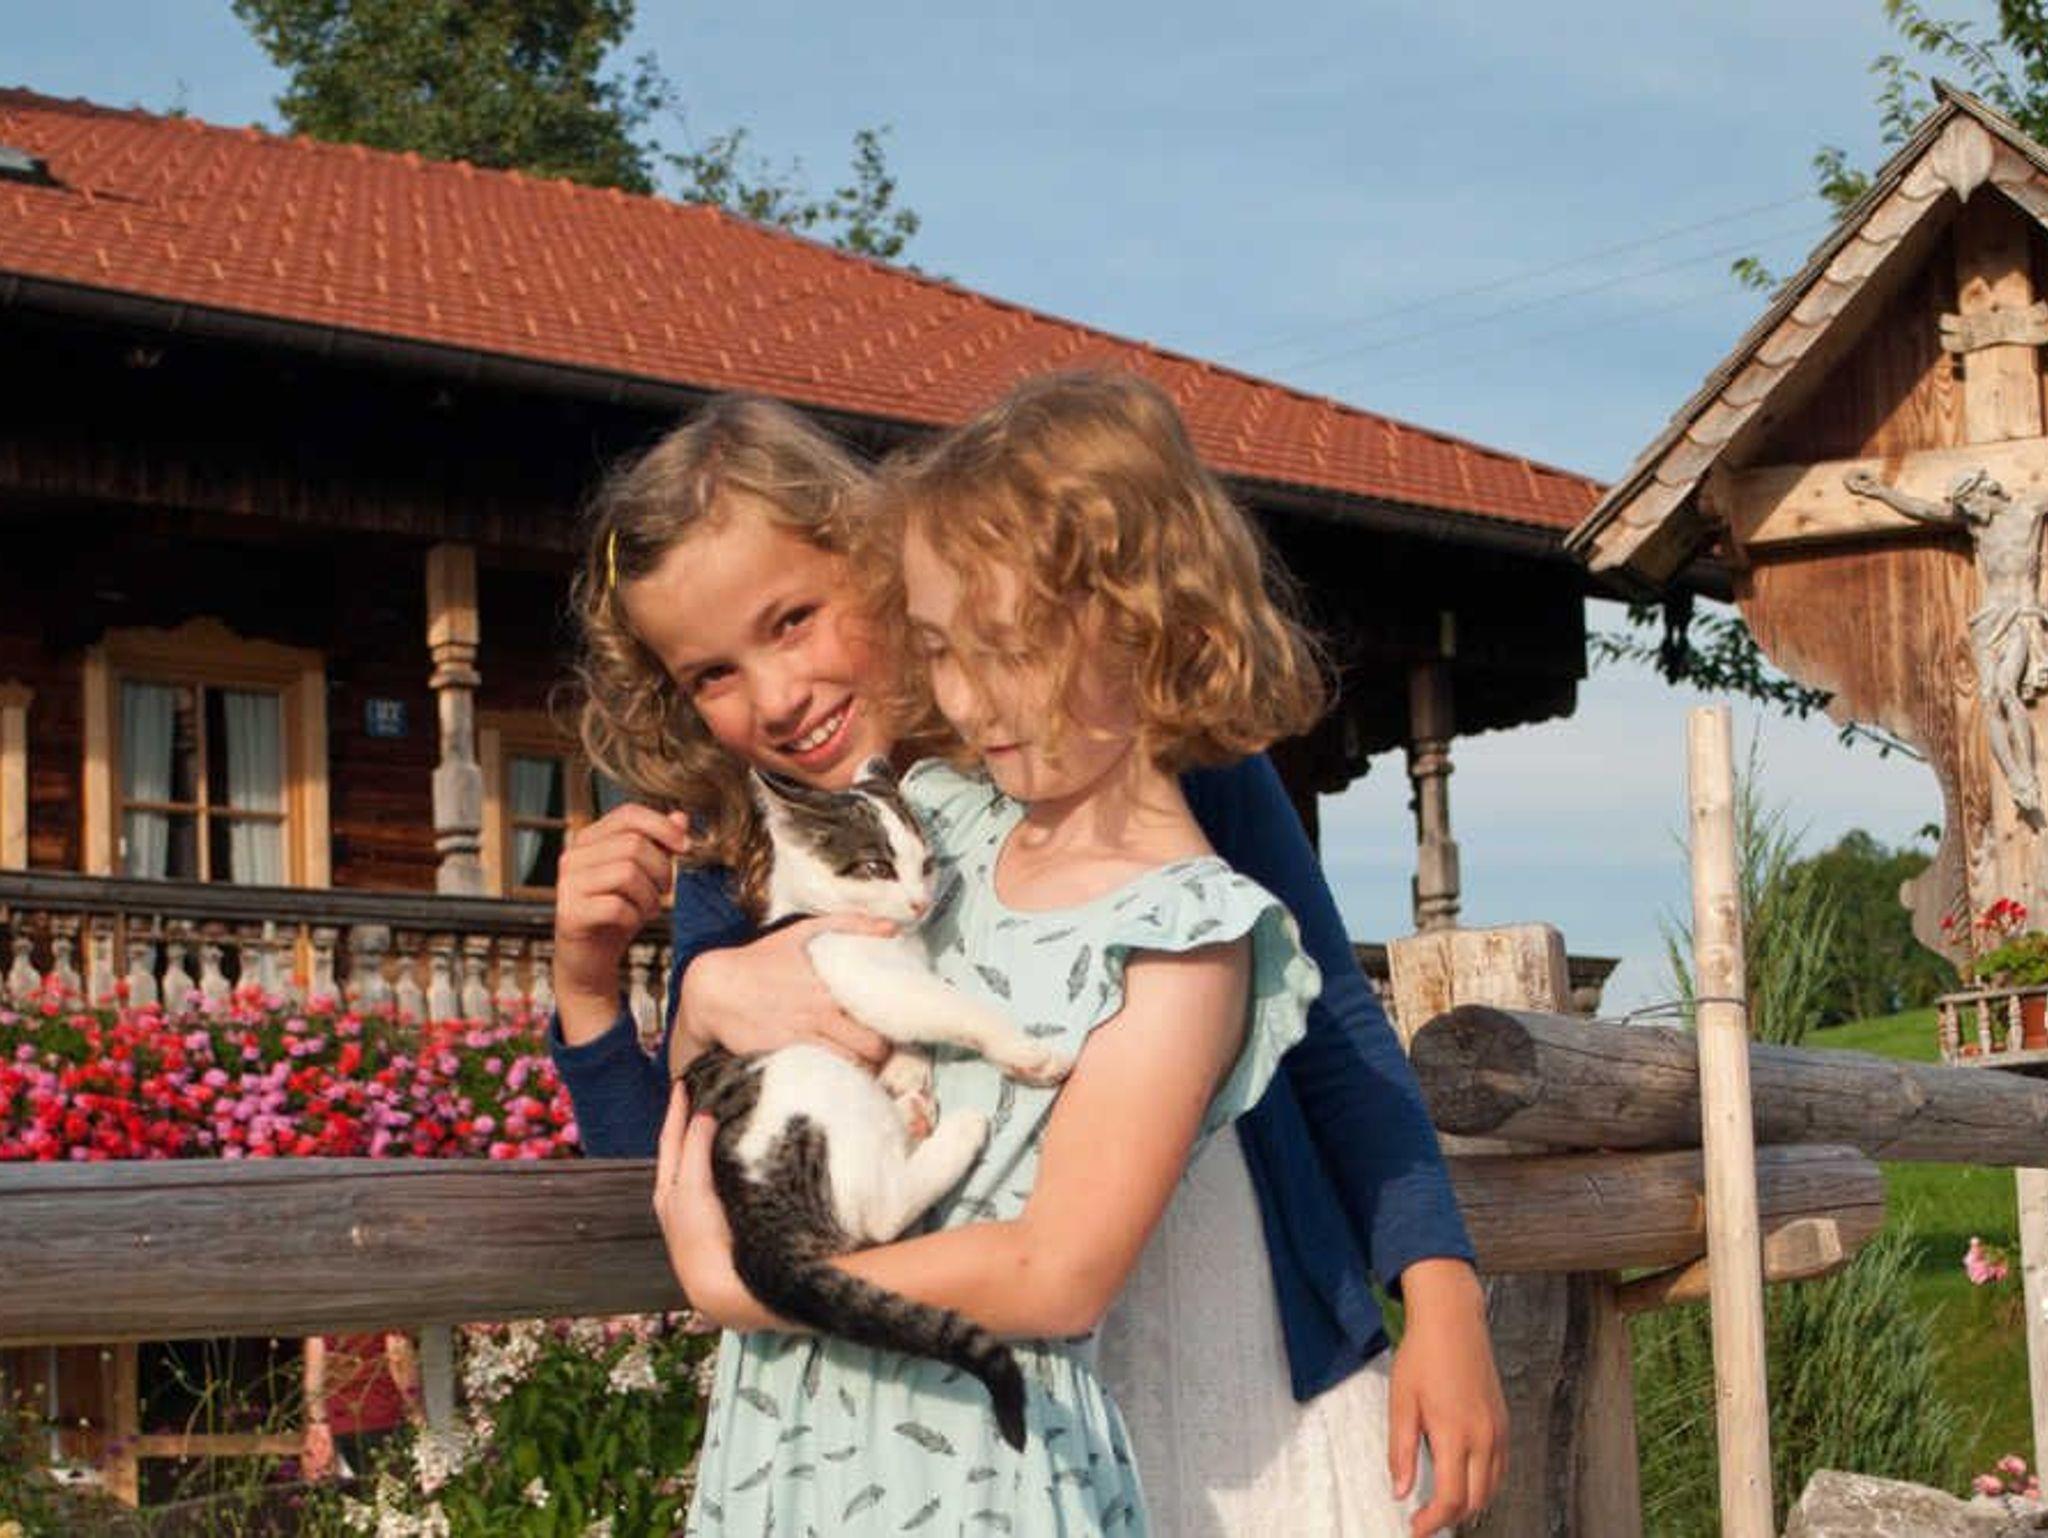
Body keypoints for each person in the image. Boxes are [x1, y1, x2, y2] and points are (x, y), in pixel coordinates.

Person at [550, 385, 1506, 1536]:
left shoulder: (1133, 731)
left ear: (873, 562)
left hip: (1225, 1328)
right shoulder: (742, 859)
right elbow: (695, 1180)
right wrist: (605, 994)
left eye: (792, 618)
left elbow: (1330, 1022)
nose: (777, 695)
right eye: (710, 673)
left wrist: (1439, 1290)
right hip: (962, 1420)